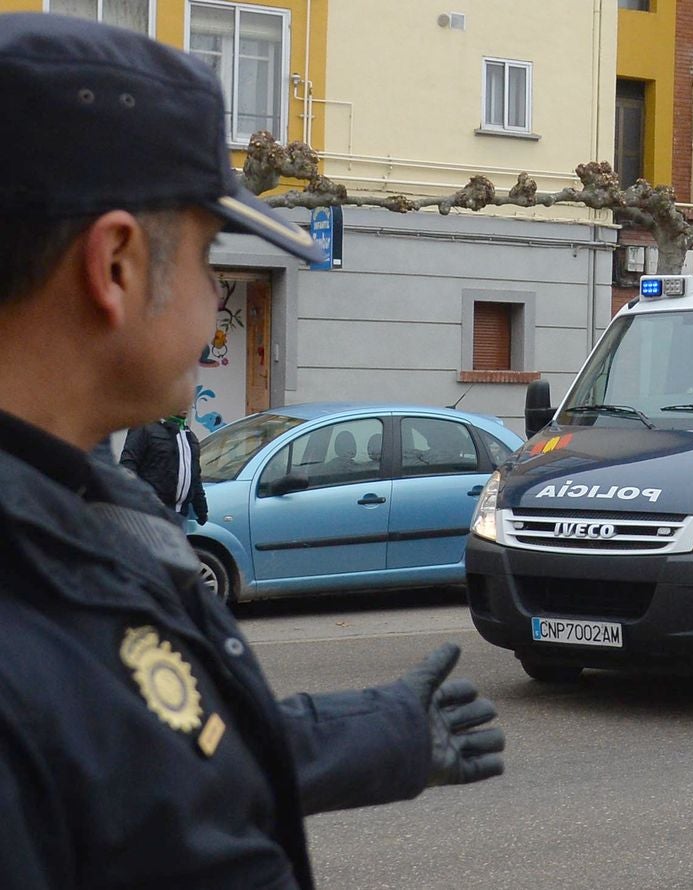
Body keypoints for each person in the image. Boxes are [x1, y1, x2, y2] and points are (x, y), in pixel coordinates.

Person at [0, 14, 503, 889]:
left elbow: (135, 751)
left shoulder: (76, 511)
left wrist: (370, 734)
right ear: (115, 264)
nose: (210, 304)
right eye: (205, 258)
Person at [120, 410, 210, 526]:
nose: (185, 405)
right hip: (150, 515)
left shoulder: (190, 437)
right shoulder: (144, 428)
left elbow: (195, 477)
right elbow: (128, 467)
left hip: (180, 517)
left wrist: (202, 511)